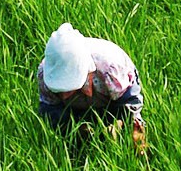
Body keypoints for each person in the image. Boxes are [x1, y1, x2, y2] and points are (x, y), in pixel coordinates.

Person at [36, 23, 146, 156]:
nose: (64, 96)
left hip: (115, 94)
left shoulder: (110, 66)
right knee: (68, 133)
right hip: (78, 108)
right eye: (60, 90)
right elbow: (50, 108)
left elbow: (128, 102)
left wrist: (122, 124)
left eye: (70, 88)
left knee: (131, 130)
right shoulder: (45, 74)